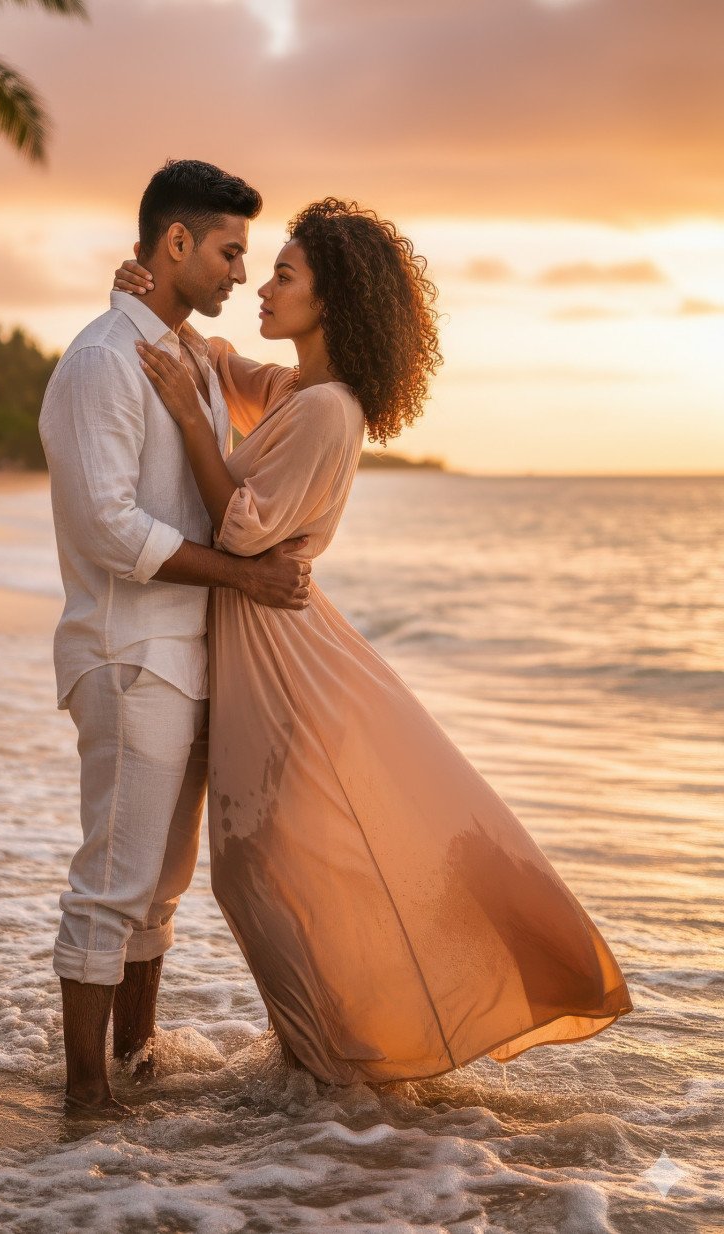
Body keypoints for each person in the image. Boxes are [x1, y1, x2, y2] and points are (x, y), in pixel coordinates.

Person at [112, 198, 634, 1085]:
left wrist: (197, 428)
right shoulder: (296, 392)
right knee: (257, 868)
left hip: (283, 659)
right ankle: (331, 1082)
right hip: (260, 641)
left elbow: (241, 530)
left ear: (332, 300)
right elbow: (221, 359)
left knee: (261, 864)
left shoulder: (330, 411)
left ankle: (346, 1083)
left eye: (284, 274)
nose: (261, 288)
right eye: (263, 269)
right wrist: (149, 296)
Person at [39, 159, 314, 1114]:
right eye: (232, 250)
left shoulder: (186, 357)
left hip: (188, 656)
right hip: (127, 655)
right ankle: (85, 1098)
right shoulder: (103, 361)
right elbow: (108, 526)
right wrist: (244, 576)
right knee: (113, 884)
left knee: (158, 891)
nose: (243, 272)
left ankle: (134, 1063)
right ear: (177, 243)